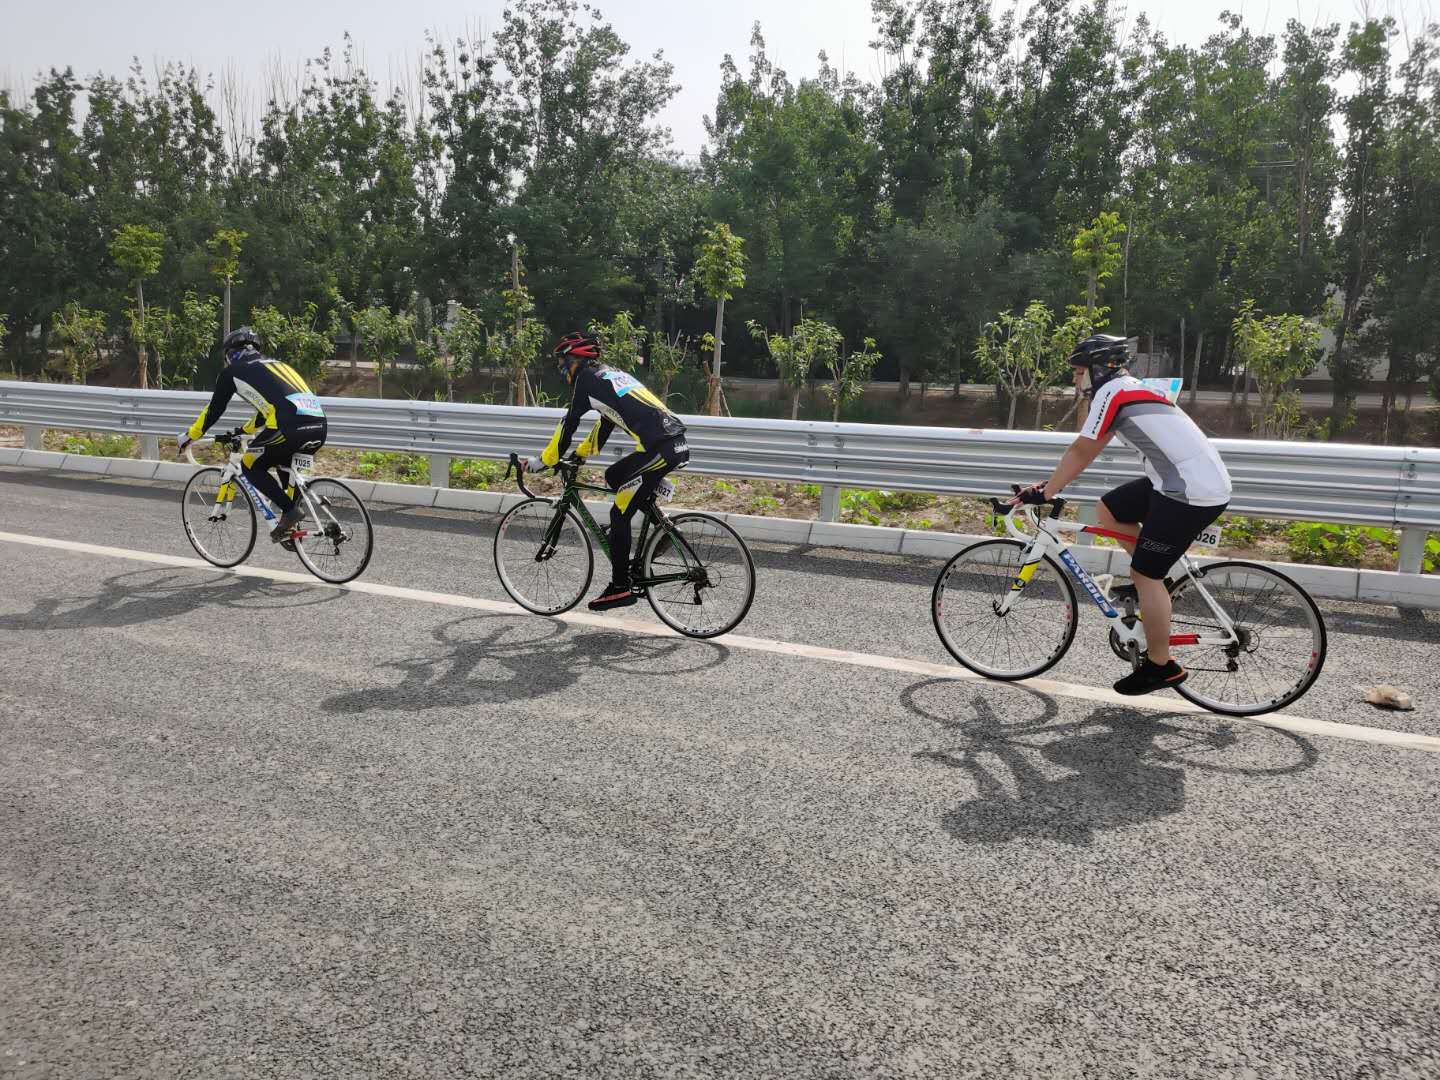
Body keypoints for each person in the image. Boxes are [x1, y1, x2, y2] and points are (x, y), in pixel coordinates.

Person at [1012, 334, 1231, 696]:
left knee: (1145, 574)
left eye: (1078, 371)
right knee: (1109, 510)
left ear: (1098, 370)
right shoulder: (1129, 388)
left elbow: (1083, 450)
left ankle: (1161, 666)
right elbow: (1086, 450)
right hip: (1181, 481)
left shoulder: (1112, 392)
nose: (1074, 378)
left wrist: (1046, 492)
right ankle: (1155, 583)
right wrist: (1049, 485)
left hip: (1189, 491)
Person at [527, 332, 689, 611]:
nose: (562, 369)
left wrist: (545, 460)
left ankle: (620, 587)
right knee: (614, 476)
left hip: (659, 449)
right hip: (669, 444)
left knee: (619, 513)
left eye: (563, 362)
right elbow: (607, 422)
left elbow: (569, 423)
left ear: (576, 359)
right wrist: (580, 454)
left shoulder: (585, 380)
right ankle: (661, 529)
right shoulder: (607, 375)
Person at [177, 327, 328, 543]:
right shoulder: (277, 365)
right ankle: (291, 526)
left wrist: (190, 436)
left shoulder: (232, 372)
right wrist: (244, 430)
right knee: (284, 466)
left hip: (289, 427)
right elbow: (268, 410)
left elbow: (214, 410)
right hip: (319, 426)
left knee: (250, 465)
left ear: (230, 354)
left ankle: (290, 512)